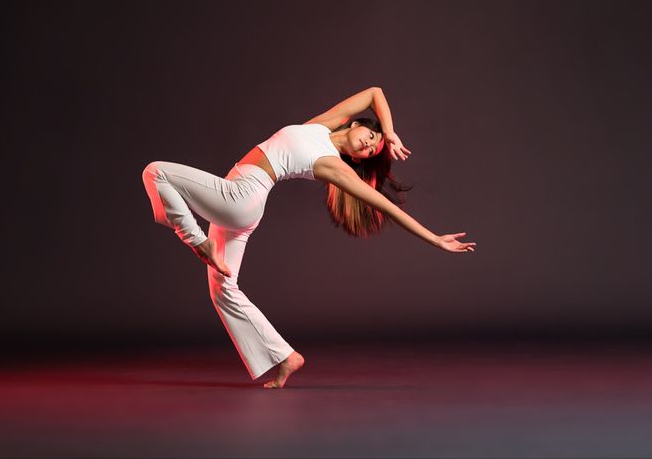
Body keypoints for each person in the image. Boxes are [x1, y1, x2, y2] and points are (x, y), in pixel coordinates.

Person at [142, 86, 476, 388]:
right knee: (223, 290)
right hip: (240, 203)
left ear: (356, 160)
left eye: (372, 150)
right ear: (353, 124)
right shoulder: (319, 126)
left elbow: (387, 208)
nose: (370, 144)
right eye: (370, 135)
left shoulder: (332, 164)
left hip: (242, 195)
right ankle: (285, 357)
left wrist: (434, 239)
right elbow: (375, 93)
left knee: (155, 172)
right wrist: (389, 133)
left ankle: (199, 242)